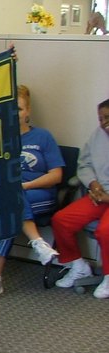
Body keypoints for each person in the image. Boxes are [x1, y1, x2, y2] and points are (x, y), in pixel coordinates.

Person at [0, 85, 62, 301]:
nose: (15, 114)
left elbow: (56, 176)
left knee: (10, 204)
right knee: (9, 208)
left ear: (28, 111)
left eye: (20, 109)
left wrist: (24, 186)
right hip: (11, 199)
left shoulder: (43, 137)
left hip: (40, 194)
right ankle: (38, 243)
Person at [51, 98, 109, 298]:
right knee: (61, 220)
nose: (103, 123)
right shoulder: (97, 136)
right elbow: (84, 164)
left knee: (105, 231)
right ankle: (78, 265)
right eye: (100, 118)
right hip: (98, 195)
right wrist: (93, 184)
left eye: (107, 118)